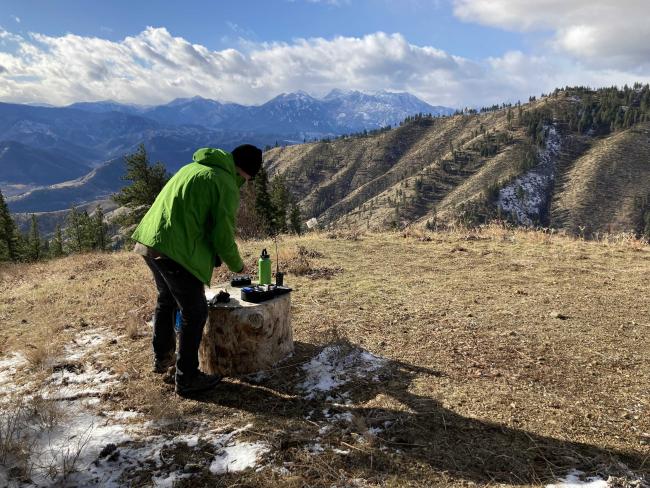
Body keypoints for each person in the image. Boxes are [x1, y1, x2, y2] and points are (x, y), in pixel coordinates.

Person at [131, 144, 262, 396]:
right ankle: (187, 377)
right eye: (249, 178)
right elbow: (222, 235)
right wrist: (237, 265)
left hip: (150, 242)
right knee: (195, 310)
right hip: (174, 251)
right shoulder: (224, 182)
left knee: (166, 299)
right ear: (245, 173)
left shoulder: (194, 167)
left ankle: (163, 359)